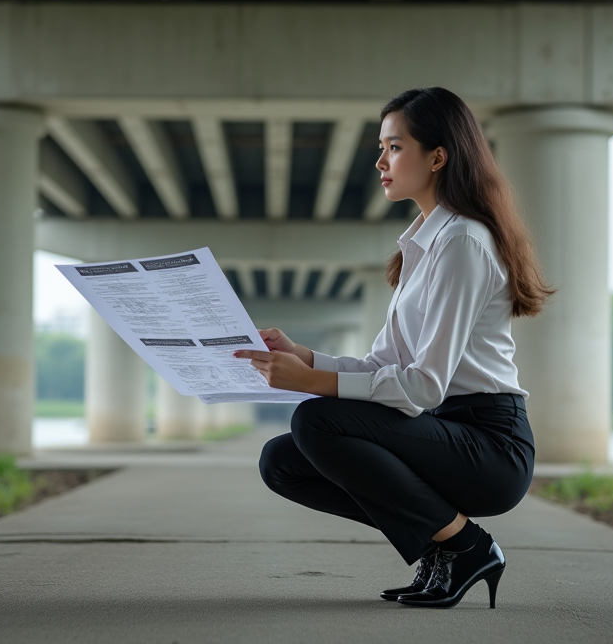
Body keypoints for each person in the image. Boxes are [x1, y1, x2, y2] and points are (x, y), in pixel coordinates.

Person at [233, 87, 552, 609]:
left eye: (394, 147)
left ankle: (467, 547)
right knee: (282, 461)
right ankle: (439, 547)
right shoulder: (422, 242)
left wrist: (314, 383)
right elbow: (385, 365)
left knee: (316, 420)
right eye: (381, 147)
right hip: (442, 430)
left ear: (437, 156)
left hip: (488, 445)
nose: (380, 160)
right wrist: (308, 357)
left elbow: (424, 385)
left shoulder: (463, 243)